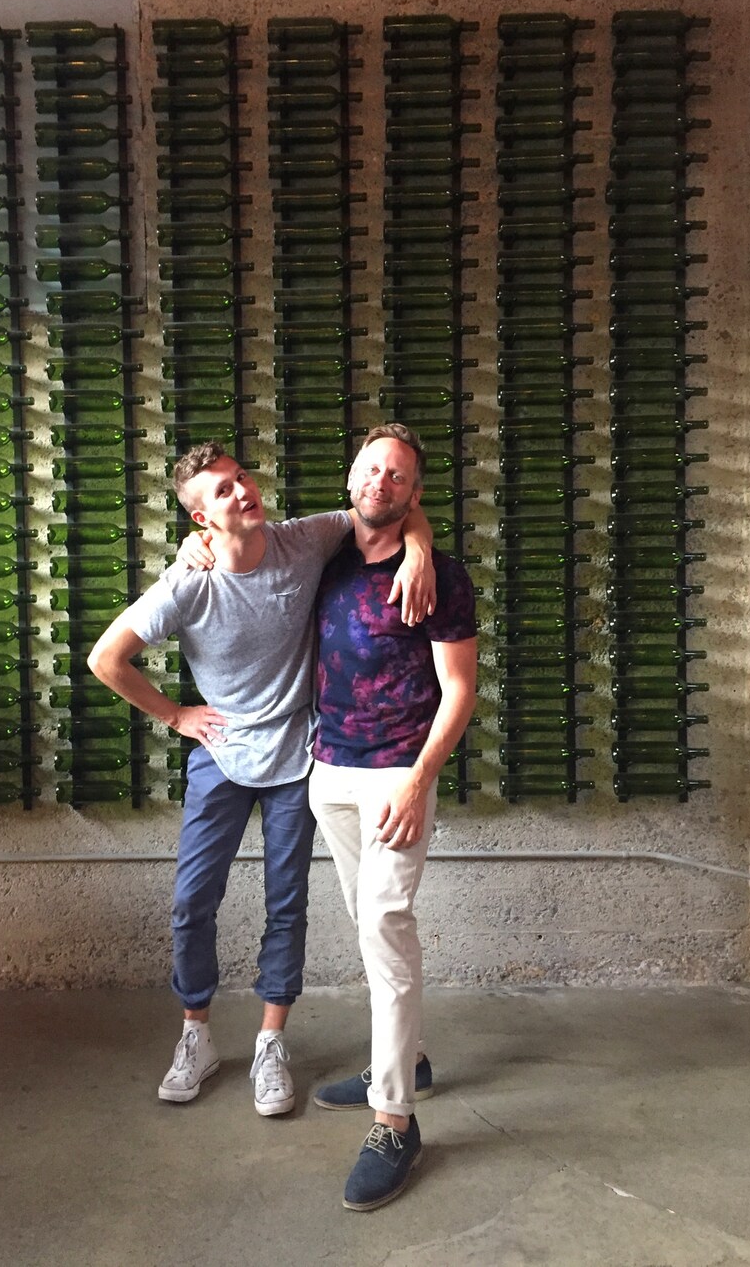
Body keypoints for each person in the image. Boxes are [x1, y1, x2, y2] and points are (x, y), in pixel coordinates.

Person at [87, 442, 434, 1118]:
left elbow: (384, 509)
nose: (242, 491)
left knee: (286, 902)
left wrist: (419, 550)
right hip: (219, 753)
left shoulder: (304, 540)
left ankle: (271, 1042)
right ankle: (195, 1034)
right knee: (193, 900)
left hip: (294, 755)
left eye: (240, 477)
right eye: (221, 491)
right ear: (200, 520)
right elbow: (107, 658)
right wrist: (176, 715)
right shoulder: (189, 581)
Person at [308, 423, 477, 1211]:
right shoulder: (325, 555)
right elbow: (243, 545)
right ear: (352, 477)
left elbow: (460, 691)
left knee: (384, 921)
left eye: (399, 475)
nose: (382, 481)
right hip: (330, 773)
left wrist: (417, 783)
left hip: (396, 778)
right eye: (372, 468)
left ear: (415, 494)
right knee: (365, 922)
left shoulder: (440, 575)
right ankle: (407, 1061)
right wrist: (197, 546)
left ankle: (395, 1120)